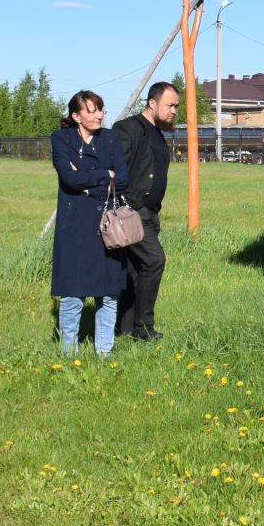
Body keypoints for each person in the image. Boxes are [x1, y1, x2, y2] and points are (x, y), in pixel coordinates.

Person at [50, 91, 130, 356]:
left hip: (108, 225)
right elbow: (68, 179)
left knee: (108, 294)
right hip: (74, 226)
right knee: (72, 294)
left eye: (101, 109)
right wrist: (104, 174)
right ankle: (68, 354)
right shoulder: (61, 139)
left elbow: (124, 179)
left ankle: (104, 353)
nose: (99, 115)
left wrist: (89, 180)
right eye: (92, 110)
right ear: (76, 116)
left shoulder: (110, 138)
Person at [111, 81, 177, 342]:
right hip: (133, 213)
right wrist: (129, 202)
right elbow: (116, 167)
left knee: (135, 270)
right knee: (154, 260)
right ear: (152, 103)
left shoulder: (158, 133)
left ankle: (126, 329)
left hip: (150, 212)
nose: (174, 111)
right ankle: (144, 328)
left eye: (176, 106)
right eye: (169, 105)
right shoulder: (129, 129)